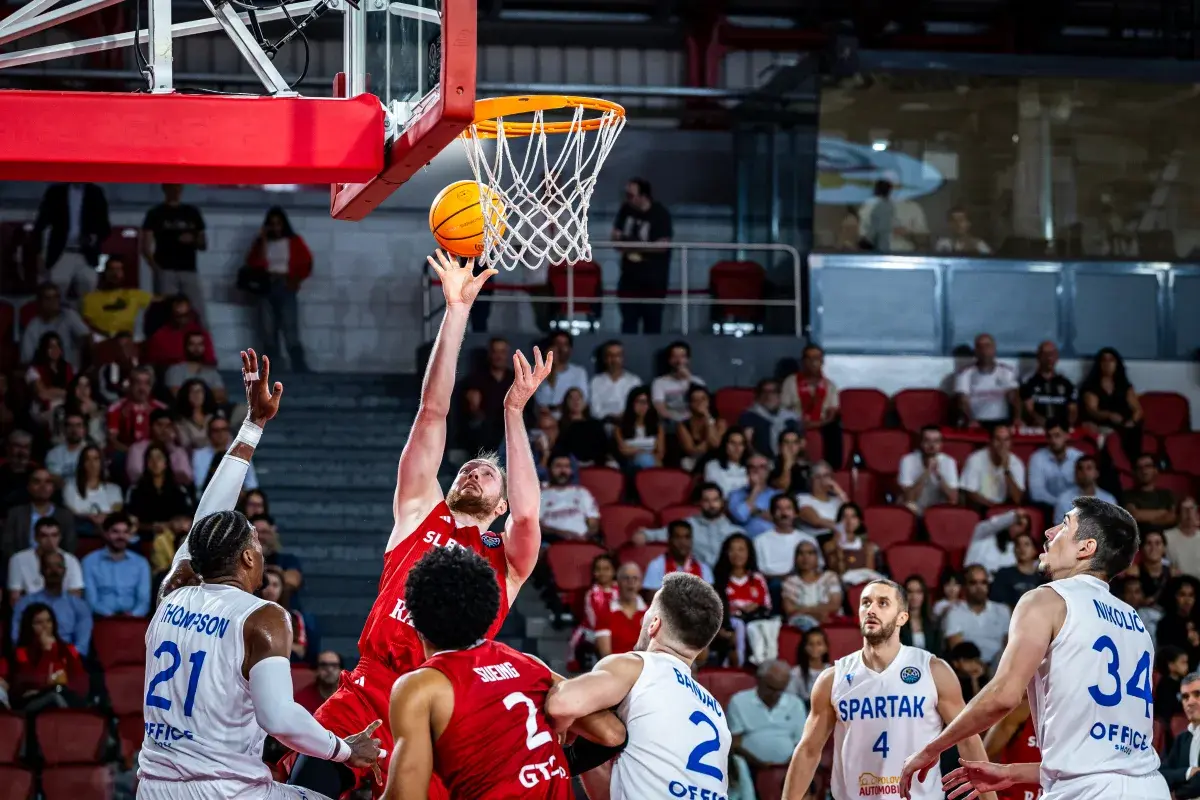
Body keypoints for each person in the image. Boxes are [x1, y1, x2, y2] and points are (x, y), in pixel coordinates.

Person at [285, 251, 552, 799]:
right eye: (469, 468)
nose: (475, 471)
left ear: (500, 505)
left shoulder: (507, 560)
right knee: (304, 791)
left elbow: (529, 514)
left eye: (489, 474)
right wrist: (456, 311)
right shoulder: (419, 511)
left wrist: (513, 412)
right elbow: (432, 411)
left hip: (443, 705)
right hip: (369, 689)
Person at [141, 348, 383, 800]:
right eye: (256, 543)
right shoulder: (263, 617)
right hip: (224, 791)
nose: (263, 550)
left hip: (153, 787)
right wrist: (345, 750)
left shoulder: (171, 592)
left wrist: (252, 426)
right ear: (248, 559)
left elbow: (204, 522)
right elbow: (279, 719)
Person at [902, 497, 1169, 800]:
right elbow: (1108, 761)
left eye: (1065, 524)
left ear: (1086, 548)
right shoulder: (1136, 623)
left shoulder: (1047, 599)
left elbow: (1003, 696)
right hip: (1150, 787)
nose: (1049, 532)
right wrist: (1011, 773)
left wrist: (932, 749)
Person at [382, 547, 625, 799]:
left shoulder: (420, 687)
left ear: (415, 618)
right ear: (488, 606)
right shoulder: (529, 663)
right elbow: (612, 733)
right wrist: (555, 764)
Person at [781, 580, 993, 800]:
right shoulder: (833, 678)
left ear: (902, 617)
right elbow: (808, 751)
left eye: (883, 603)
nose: (871, 609)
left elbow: (968, 740)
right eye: (866, 603)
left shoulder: (933, 670)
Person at [545, 572, 730, 800]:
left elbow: (562, 703)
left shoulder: (638, 666)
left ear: (654, 624)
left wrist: (562, 725)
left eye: (648, 611)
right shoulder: (715, 710)